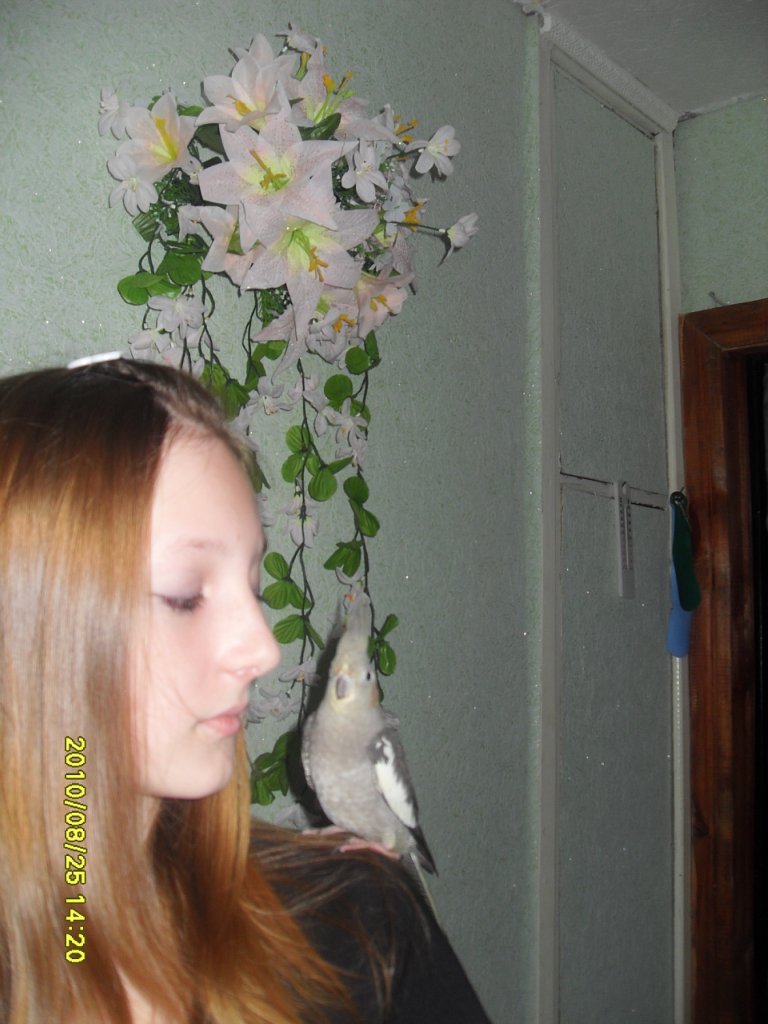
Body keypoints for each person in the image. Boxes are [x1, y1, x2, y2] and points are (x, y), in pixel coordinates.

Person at [0, 356, 492, 1023]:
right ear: (28, 624)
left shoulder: (361, 922)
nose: (264, 649)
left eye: (254, 587)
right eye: (185, 595)